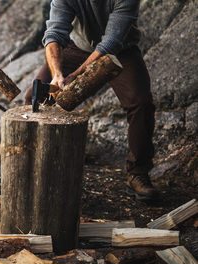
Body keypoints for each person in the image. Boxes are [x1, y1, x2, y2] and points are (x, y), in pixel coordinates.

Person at [25, 0, 159, 201]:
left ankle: (137, 173)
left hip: (121, 52)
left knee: (140, 102)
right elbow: (54, 34)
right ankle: (25, 159)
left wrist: (76, 76)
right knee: (32, 96)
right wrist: (57, 74)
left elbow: (111, 42)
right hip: (77, 48)